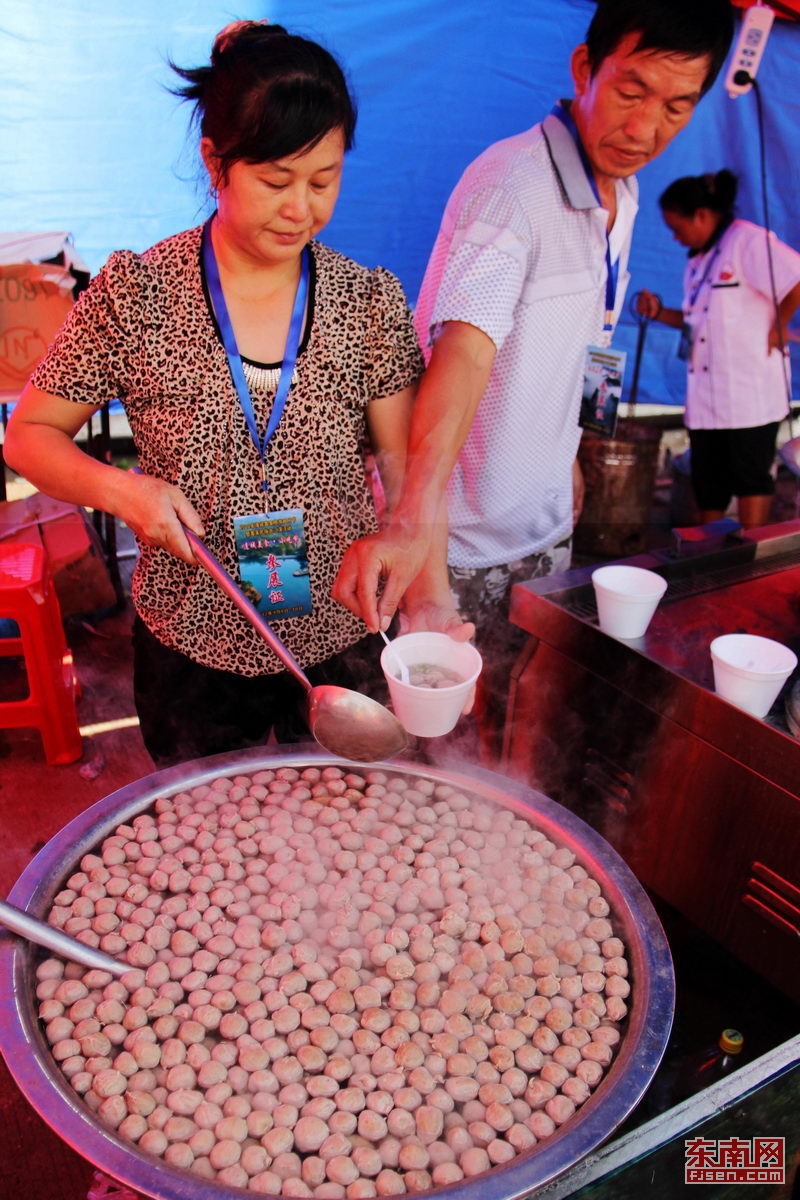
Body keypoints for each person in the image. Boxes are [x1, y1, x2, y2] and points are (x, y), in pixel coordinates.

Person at [4, 20, 468, 767]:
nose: (301, 209)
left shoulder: (367, 302)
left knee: (343, 839)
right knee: (211, 848)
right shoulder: (138, 293)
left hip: (338, 637)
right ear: (214, 161)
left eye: (325, 181)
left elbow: (408, 466)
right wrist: (126, 494)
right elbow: (29, 436)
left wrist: (430, 600)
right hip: (192, 642)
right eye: (276, 181)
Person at [334, 0, 734, 762]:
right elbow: (462, 357)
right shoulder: (511, 188)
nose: (647, 130)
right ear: (584, 69)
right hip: (461, 540)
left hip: (541, 529)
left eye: (677, 106)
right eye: (632, 91)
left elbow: (589, 340)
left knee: (509, 726)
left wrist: (576, 452)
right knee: (415, 748)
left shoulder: (624, 194)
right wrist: (419, 536)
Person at [637, 169, 800, 529]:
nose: (676, 239)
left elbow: (795, 279)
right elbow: (698, 321)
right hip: (706, 399)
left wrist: (778, 324)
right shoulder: (697, 260)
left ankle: (749, 559)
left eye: (678, 228)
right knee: (707, 480)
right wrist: (659, 311)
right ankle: (710, 555)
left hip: (749, 395)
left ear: (702, 215)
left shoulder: (748, 241)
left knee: (750, 476)